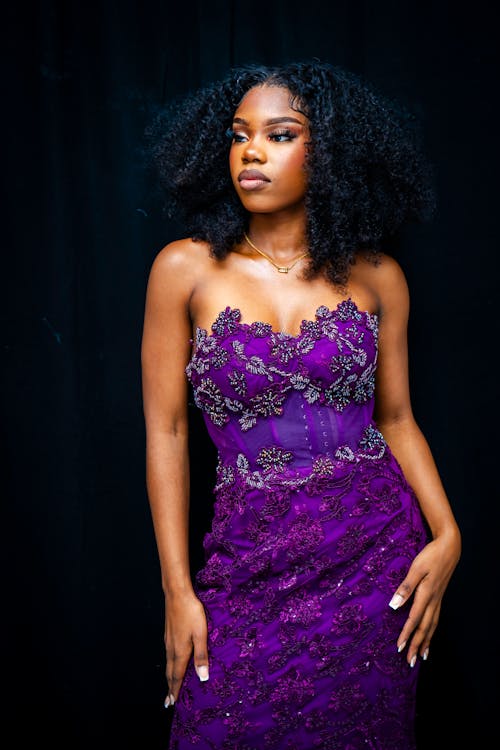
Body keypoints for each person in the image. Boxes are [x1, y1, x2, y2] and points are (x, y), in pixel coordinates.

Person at [141, 60, 461, 749]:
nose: (250, 151)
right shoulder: (183, 271)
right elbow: (166, 432)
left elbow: (396, 419)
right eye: (238, 134)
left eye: (279, 134)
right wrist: (178, 590)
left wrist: (448, 534)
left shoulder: (378, 278)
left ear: (332, 153)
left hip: (374, 561)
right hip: (245, 563)